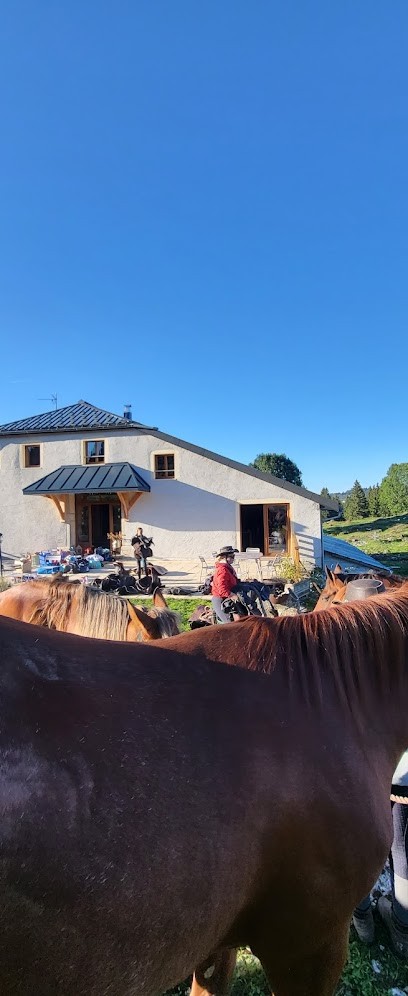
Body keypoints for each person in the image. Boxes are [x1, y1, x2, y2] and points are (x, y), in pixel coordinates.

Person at [353, 751, 408, 958]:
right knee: (403, 846)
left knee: (359, 839)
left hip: (359, 756)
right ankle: (402, 932)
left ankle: (362, 919)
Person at [211, 546, 276, 623]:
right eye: (231, 556)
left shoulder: (227, 567)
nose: (233, 558)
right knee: (229, 624)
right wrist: (231, 595)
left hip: (228, 595)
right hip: (221, 598)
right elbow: (222, 589)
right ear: (224, 557)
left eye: (233, 556)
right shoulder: (223, 570)